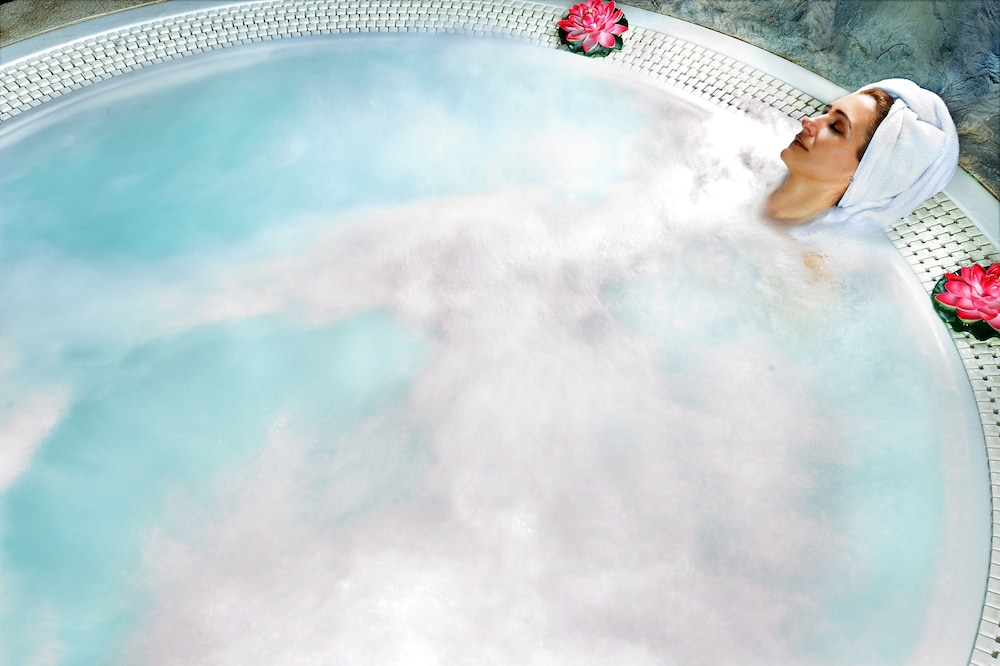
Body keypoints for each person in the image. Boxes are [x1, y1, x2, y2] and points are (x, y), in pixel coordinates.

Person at [766, 78, 960, 231]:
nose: (808, 121)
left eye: (836, 128)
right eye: (825, 112)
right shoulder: (753, 161)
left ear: (865, 175)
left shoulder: (804, 263)